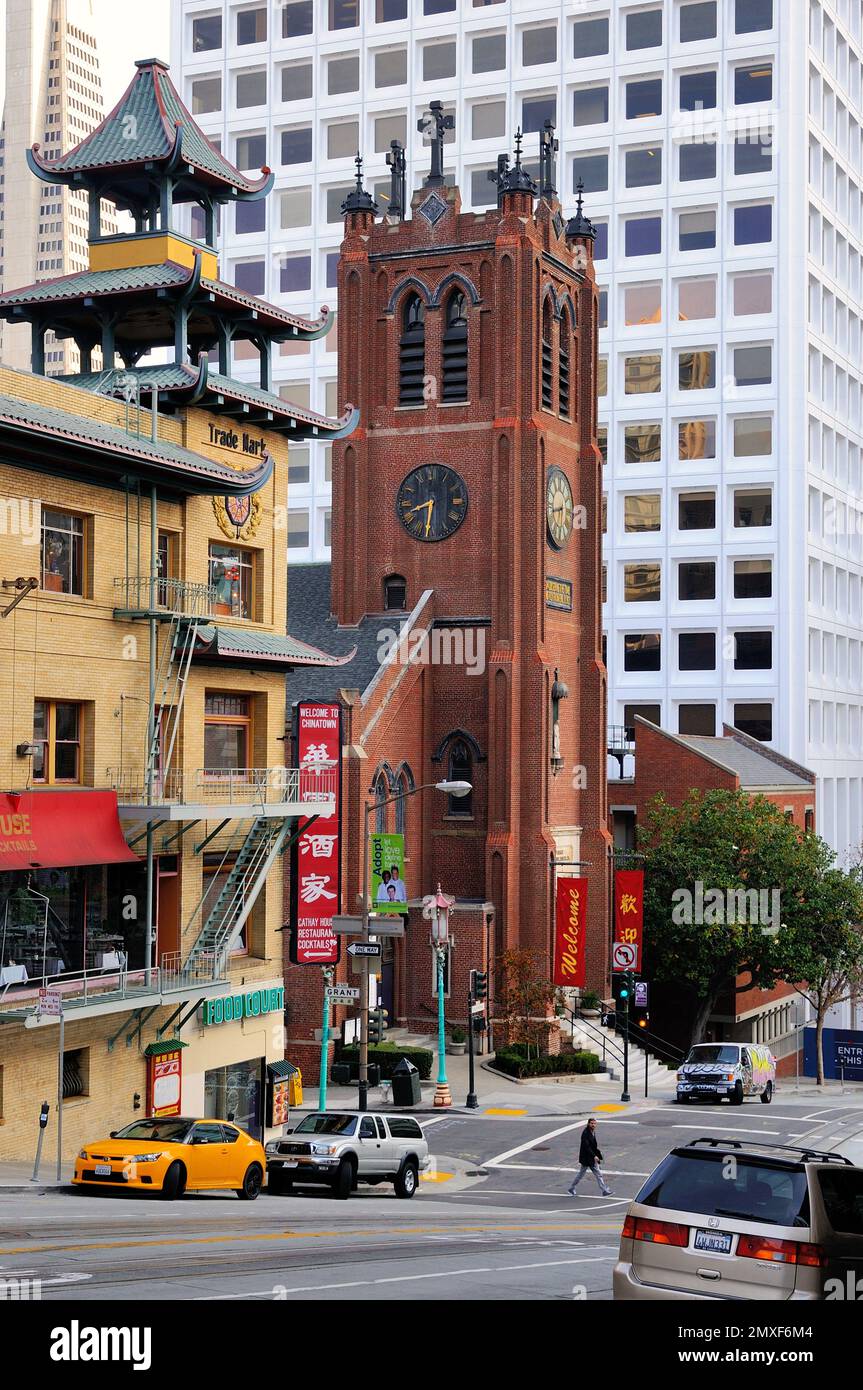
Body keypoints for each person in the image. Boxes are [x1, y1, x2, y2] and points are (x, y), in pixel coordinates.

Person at [568, 1118, 613, 1197]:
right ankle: (571, 1188)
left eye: (595, 1123)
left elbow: (593, 1146)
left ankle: (604, 1190)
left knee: (597, 1173)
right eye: (592, 1123)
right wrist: (594, 1156)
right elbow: (587, 1147)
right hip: (587, 1158)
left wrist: (597, 1154)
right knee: (582, 1174)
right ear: (588, 1123)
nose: (593, 1125)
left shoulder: (592, 1131)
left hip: (591, 1157)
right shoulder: (585, 1133)